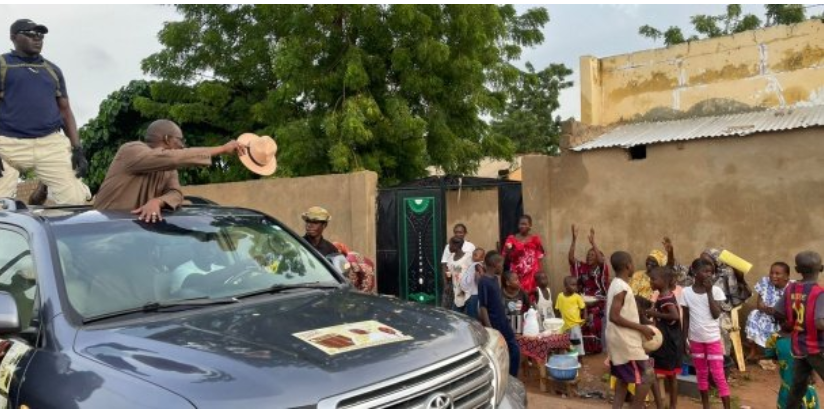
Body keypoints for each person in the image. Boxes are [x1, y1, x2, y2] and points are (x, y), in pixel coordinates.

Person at [0, 19, 91, 205]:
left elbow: (65, 110)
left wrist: (77, 149)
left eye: (40, 35)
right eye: (30, 34)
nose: (37, 39)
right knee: (2, 205)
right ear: (13, 37)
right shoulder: (3, 65)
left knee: (75, 200)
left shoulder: (52, 70)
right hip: (7, 143)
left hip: (49, 143)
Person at [93, 119, 244, 219]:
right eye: (180, 140)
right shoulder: (130, 150)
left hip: (135, 235)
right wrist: (222, 149)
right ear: (166, 139)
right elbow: (173, 157)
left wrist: (158, 201)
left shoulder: (168, 168)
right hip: (105, 231)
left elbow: (176, 193)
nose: (183, 146)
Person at [605, 251, 655, 409]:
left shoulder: (615, 284)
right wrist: (642, 328)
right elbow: (614, 316)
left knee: (623, 381)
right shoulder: (621, 287)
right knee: (648, 375)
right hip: (625, 340)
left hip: (618, 338)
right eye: (632, 263)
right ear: (628, 265)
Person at [775, 251, 824, 409]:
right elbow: (819, 323)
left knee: (797, 388)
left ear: (796, 269)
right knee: (798, 387)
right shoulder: (819, 293)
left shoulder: (791, 289)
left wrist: (789, 324)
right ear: (821, 268)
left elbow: (778, 312)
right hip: (817, 348)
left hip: (798, 347)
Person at [682, 258, 731, 409]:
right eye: (705, 271)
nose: (709, 275)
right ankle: (706, 407)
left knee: (718, 375)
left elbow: (716, 314)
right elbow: (686, 317)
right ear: (695, 272)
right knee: (701, 374)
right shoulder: (686, 292)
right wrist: (685, 339)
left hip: (712, 339)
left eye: (711, 272)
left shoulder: (716, 291)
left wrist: (709, 292)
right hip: (696, 340)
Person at [701, 248, 752, 364]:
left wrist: (739, 276)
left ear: (715, 261)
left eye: (707, 262)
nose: (704, 265)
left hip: (721, 311)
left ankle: (721, 360)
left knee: (718, 325)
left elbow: (735, 298)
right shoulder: (700, 274)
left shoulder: (726, 273)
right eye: (702, 262)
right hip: (702, 309)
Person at [645, 267, 683, 409]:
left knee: (670, 375)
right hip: (664, 340)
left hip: (669, 342)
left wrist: (655, 314)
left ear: (665, 281)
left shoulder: (666, 297)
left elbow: (674, 316)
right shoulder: (661, 296)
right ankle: (663, 405)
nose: (651, 282)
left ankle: (671, 406)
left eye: (654, 279)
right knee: (656, 371)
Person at [478, 251, 519, 377]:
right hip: (494, 323)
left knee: (514, 349)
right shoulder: (483, 281)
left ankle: (512, 377)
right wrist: (490, 328)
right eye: (501, 264)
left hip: (503, 321)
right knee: (499, 352)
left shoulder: (495, 279)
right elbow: (483, 307)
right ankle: (503, 377)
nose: (503, 267)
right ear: (495, 264)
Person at [568, 225, 608, 354]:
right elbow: (571, 259)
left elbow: (602, 261)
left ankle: (593, 348)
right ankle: (580, 348)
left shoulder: (601, 269)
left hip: (597, 301)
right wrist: (574, 240)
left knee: (593, 318)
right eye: (588, 254)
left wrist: (593, 243)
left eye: (593, 255)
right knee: (575, 316)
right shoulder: (583, 267)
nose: (589, 256)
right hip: (582, 300)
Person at [745, 262, 790, 362]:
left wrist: (777, 313)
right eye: (771, 273)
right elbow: (759, 305)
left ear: (786, 276)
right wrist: (767, 309)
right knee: (754, 314)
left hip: (783, 318)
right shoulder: (765, 282)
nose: (773, 276)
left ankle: (778, 353)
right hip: (766, 315)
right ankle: (753, 351)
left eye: (778, 273)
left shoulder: (791, 288)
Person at [764, 330, 820, 409]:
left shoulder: (775, 339)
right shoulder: (810, 337)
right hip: (806, 390)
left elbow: (772, 357)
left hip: (787, 390)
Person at [502, 215, 544, 301]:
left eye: (525, 224)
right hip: (516, 274)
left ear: (530, 225)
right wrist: (510, 250)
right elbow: (505, 255)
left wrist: (538, 272)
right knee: (517, 296)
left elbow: (540, 256)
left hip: (531, 274)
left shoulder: (535, 239)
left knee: (530, 297)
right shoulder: (511, 239)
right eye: (521, 224)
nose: (522, 226)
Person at [441, 224, 475, 309]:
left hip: (467, 287)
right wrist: (447, 282)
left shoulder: (470, 249)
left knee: (467, 309)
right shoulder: (451, 256)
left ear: (465, 233)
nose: (458, 234)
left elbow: (475, 265)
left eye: (460, 232)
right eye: (456, 232)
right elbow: (446, 266)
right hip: (455, 284)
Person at [555, 275, 586, 361]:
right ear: (565, 286)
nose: (575, 287)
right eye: (572, 285)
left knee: (577, 342)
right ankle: (569, 358)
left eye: (576, 285)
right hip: (564, 325)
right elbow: (557, 309)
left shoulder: (577, 297)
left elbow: (583, 308)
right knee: (566, 343)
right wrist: (558, 322)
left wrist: (585, 318)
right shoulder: (560, 296)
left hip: (575, 324)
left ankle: (580, 358)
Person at [446, 237, 472, 313]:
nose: (448, 247)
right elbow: (449, 272)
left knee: (469, 316)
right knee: (456, 315)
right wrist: (448, 282)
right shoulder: (450, 258)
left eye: (449, 245)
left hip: (468, 293)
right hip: (457, 292)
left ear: (455, 246)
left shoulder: (468, 257)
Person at [502, 271, 531, 335]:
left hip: (519, 329)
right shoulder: (500, 294)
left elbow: (530, 308)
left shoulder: (522, 293)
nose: (518, 281)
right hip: (504, 329)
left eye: (518, 279)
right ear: (508, 283)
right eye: (515, 280)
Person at [460, 247, 486, 319]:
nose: (473, 256)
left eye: (476, 255)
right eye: (473, 254)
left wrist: (480, 277)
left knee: (472, 315)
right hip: (470, 293)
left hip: (473, 294)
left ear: (482, 257)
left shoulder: (477, 264)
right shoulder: (473, 264)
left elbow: (481, 273)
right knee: (470, 312)